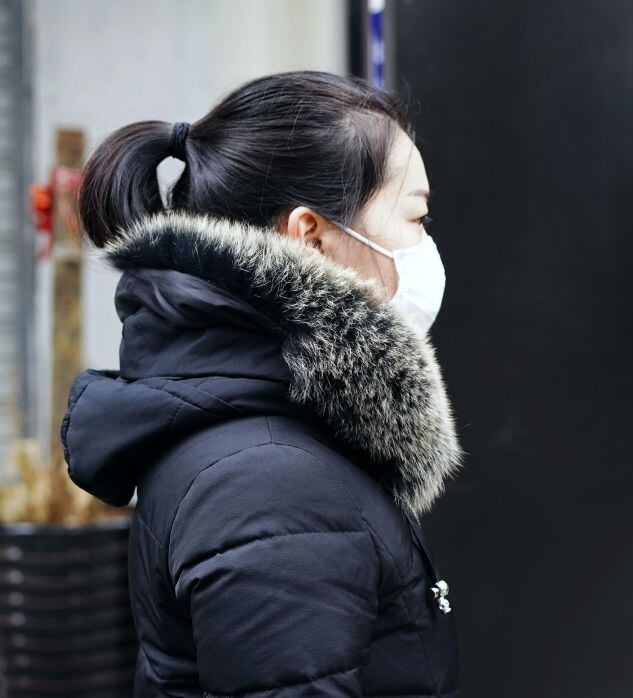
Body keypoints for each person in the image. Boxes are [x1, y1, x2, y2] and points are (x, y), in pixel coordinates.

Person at [60, 71, 463, 697]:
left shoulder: (267, 431)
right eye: (416, 216)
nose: (426, 244)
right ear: (311, 236)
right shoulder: (273, 484)